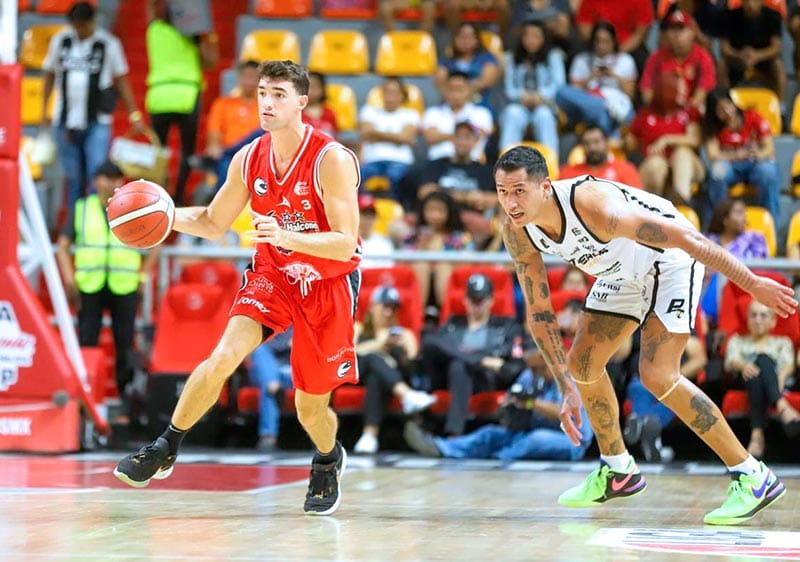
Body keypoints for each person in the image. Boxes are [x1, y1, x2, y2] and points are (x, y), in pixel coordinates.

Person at [495, 145, 794, 525]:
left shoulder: (594, 207)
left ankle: (753, 475)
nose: (511, 202)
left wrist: (752, 283)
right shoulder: (517, 231)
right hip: (620, 273)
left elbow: (689, 239)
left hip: (668, 261)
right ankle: (617, 469)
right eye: (502, 192)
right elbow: (539, 312)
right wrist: (564, 385)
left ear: (545, 187)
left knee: (657, 375)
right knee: (582, 365)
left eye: (519, 191)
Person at [113, 61, 362, 517]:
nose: (267, 102)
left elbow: (346, 243)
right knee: (223, 356)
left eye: (279, 94)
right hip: (272, 275)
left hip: (327, 282)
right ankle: (166, 445)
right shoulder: (248, 158)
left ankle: (328, 458)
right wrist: (160, 214)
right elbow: (212, 222)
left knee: (309, 407)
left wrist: (287, 236)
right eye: (263, 92)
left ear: (302, 103)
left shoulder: (332, 159)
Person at [55, 161, 157, 410]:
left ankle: (126, 398)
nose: (111, 183)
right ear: (96, 180)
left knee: (125, 342)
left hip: (125, 284)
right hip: (89, 284)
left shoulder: (132, 208)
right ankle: (85, 395)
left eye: (116, 178)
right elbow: (62, 246)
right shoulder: (81, 208)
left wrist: (143, 276)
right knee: (87, 340)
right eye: (107, 177)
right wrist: (69, 278)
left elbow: (156, 243)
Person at [42, 1, 142, 208]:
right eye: (76, 25)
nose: (79, 30)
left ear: (92, 22)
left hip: (98, 121)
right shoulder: (61, 41)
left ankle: (98, 222)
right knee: (73, 178)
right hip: (65, 120)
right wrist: (44, 111)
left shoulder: (108, 44)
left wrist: (133, 113)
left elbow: (121, 80)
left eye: (83, 25)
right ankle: (77, 223)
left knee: (98, 176)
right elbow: (50, 75)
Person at [403, 365, 594, 461]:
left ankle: (498, 457)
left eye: (540, 364)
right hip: (526, 430)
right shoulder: (530, 373)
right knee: (491, 433)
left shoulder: (568, 378)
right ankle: (442, 448)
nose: (534, 369)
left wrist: (530, 403)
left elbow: (564, 412)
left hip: (572, 441)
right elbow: (508, 400)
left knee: (535, 439)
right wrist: (508, 407)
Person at [420, 273, 530, 435]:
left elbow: (515, 366)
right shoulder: (453, 323)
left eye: (481, 300)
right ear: (465, 300)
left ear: (491, 300)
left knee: (459, 365)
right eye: (473, 300)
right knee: (431, 340)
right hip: (448, 378)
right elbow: (431, 343)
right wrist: (482, 359)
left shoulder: (506, 326)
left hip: (485, 378)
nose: (476, 305)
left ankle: (453, 434)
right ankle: (475, 360)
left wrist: (470, 359)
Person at [145, 0, 219, 205]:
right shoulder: (194, 36)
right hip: (187, 95)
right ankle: (178, 196)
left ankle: (159, 195)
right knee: (187, 150)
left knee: (159, 151)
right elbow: (211, 63)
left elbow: (151, 6)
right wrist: (206, 35)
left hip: (159, 96)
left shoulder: (154, 29)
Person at [353, 286, 436, 454]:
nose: (388, 313)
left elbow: (413, 361)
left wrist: (403, 348)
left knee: (377, 377)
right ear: (373, 307)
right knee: (373, 358)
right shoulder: (358, 328)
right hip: (358, 374)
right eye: (384, 306)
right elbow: (349, 353)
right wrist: (380, 344)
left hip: (387, 380)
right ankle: (407, 395)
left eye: (393, 308)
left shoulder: (404, 334)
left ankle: (369, 436)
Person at [724, 301, 800, 458]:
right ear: (747, 319)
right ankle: (782, 405)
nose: (757, 320)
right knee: (757, 367)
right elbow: (730, 362)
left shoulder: (782, 342)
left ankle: (757, 435)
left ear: (773, 321)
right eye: (753, 315)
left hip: (777, 382)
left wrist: (780, 378)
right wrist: (743, 365)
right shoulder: (737, 340)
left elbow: (788, 365)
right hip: (745, 381)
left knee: (764, 361)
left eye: (763, 315)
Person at [702, 88, 781, 224]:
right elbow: (713, 155)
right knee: (717, 172)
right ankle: (718, 224)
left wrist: (758, 154)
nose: (727, 112)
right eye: (720, 110)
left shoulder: (753, 117)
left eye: (727, 105)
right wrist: (736, 155)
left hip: (755, 164)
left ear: (733, 103)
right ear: (714, 113)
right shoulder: (712, 126)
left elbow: (769, 148)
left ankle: (770, 224)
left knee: (768, 172)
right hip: (731, 167)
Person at [555, 21, 637, 138]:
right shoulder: (581, 60)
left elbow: (630, 95)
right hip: (587, 105)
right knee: (561, 91)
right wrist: (590, 78)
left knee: (604, 115)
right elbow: (573, 94)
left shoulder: (625, 60)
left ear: (614, 41)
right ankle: (603, 108)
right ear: (593, 41)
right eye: (598, 41)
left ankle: (604, 117)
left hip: (615, 103)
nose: (601, 45)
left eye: (606, 41)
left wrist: (614, 75)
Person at [499, 20, 565, 155]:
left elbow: (559, 84)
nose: (531, 40)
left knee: (544, 115)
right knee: (512, 114)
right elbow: (508, 87)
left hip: (545, 104)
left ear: (544, 38)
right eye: (527, 36)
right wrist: (520, 95)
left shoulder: (553, 56)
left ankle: (550, 162)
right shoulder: (512, 57)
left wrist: (541, 95)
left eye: (536, 36)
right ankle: (506, 161)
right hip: (519, 104)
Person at [640, 6, 716, 111]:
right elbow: (646, 90)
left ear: (692, 32)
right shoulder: (656, 57)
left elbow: (701, 94)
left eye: (681, 29)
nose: (676, 34)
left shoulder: (703, 57)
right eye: (672, 29)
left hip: (691, 111)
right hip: (661, 110)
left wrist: (681, 113)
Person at [358, 77, 420, 200]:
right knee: (356, 176)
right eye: (387, 92)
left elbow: (405, 137)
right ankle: (361, 208)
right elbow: (365, 133)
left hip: (400, 161)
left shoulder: (411, 114)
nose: (390, 96)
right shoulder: (369, 111)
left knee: (396, 177)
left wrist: (375, 135)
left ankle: (397, 208)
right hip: (372, 160)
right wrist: (398, 138)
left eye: (394, 92)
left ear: (402, 95)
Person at [205, 60, 262, 194]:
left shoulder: (265, 106)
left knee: (260, 133)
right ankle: (223, 200)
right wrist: (214, 146)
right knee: (226, 161)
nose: (249, 81)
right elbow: (214, 131)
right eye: (246, 76)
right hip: (230, 155)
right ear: (239, 78)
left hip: (257, 155)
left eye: (253, 77)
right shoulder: (223, 104)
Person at [248, 329, 294, 452]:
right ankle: (273, 385)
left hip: (292, 370)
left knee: (269, 386)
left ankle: (268, 438)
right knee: (260, 350)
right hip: (268, 368)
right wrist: (286, 343)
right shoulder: (268, 320)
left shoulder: (308, 321)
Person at [559, 125, 642, 187]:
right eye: (587, 143)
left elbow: (636, 199)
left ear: (606, 143)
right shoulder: (568, 172)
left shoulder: (625, 169)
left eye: (596, 142)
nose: (592, 148)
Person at [302, 72, 338, 138]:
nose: (311, 91)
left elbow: (335, 137)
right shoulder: (298, 113)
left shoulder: (330, 113)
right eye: (308, 87)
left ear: (322, 89)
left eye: (314, 87)